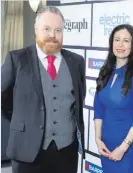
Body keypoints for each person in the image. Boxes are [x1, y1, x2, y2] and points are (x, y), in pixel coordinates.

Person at [1, 6, 86, 173]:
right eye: (47, 29)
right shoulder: (16, 59)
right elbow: (4, 99)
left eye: (58, 30)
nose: (52, 35)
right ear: (36, 30)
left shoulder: (77, 61)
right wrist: (24, 121)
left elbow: (78, 101)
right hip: (27, 152)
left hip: (66, 152)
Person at [93, 24, 133, 173]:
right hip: (106, 144)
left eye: (126, 40)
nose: (120, 44)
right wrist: (98, 139)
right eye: (117, 39)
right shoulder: (105, 71)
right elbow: (99, 108)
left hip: (128, 148)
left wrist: (123, 148)